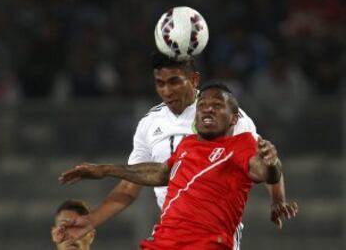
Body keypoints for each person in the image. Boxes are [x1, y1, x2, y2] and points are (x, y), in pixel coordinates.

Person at [56, 52, 295, 249]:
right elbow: (154, 176)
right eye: (160, 83)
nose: (167, 91)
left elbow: (263, 163)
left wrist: (277, 198)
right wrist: (93, 215)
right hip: (169, 231)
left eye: (174, 82)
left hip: (212, 234)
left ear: (193, 80)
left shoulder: (229, 116)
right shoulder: (154, 126)